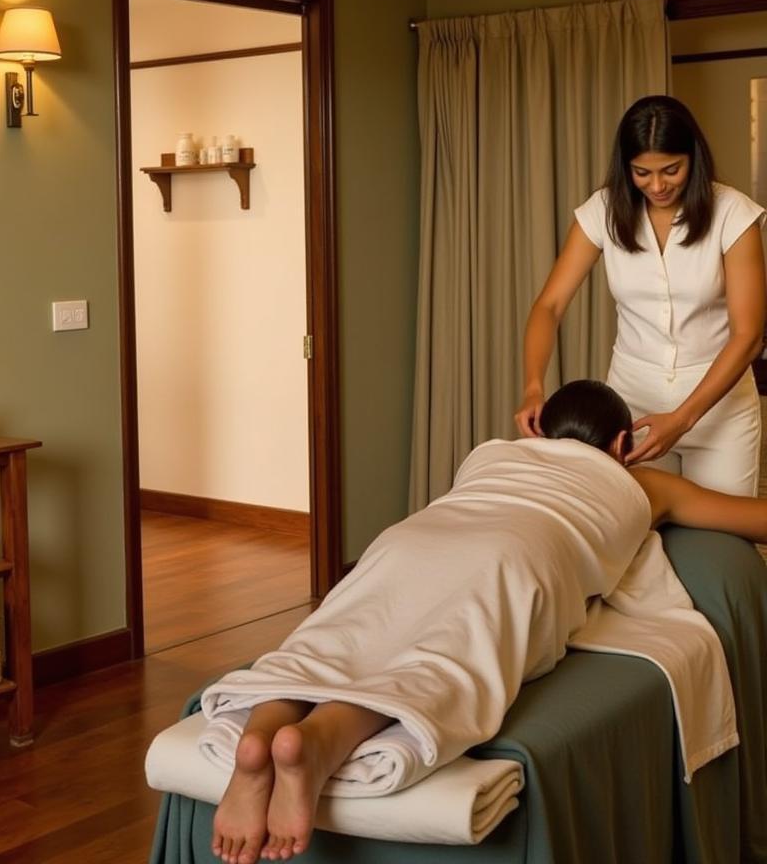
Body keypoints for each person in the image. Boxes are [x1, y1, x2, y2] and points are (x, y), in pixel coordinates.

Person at [210, 380, 767, 864]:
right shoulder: (644, 484)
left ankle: (258, 736)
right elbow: (755, 518)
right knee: (441, 660)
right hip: (515, 556)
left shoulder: (493, 454)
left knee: (338, 637)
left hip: (415, 539)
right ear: (624, 445)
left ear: (539, 430)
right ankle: (319, 743)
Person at [515, 95, 766, 495]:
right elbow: (549, 305)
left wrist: (683, 418)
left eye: (671, 170)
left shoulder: (732, 214)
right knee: (639, 535)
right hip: (633, 407)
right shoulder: (603, 211)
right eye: (642, 173)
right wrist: (532, 386)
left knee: (725, 536)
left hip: (720, 411)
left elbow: (748, 334)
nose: (657, 185)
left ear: (693, 159)